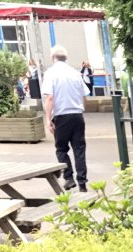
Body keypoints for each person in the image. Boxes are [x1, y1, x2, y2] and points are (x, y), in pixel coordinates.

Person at [42, 45, 89, 193]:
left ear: (52, 58)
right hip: (77, 115)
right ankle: (82, 183)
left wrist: (48, 119)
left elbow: (50, 97)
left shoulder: (50, 73)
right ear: (65, 58)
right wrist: (80, 110)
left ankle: (68, 178)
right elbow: (84, 95)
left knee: (61, 149)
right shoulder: (75, 73)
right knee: (79, 150)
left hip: (61, 116)